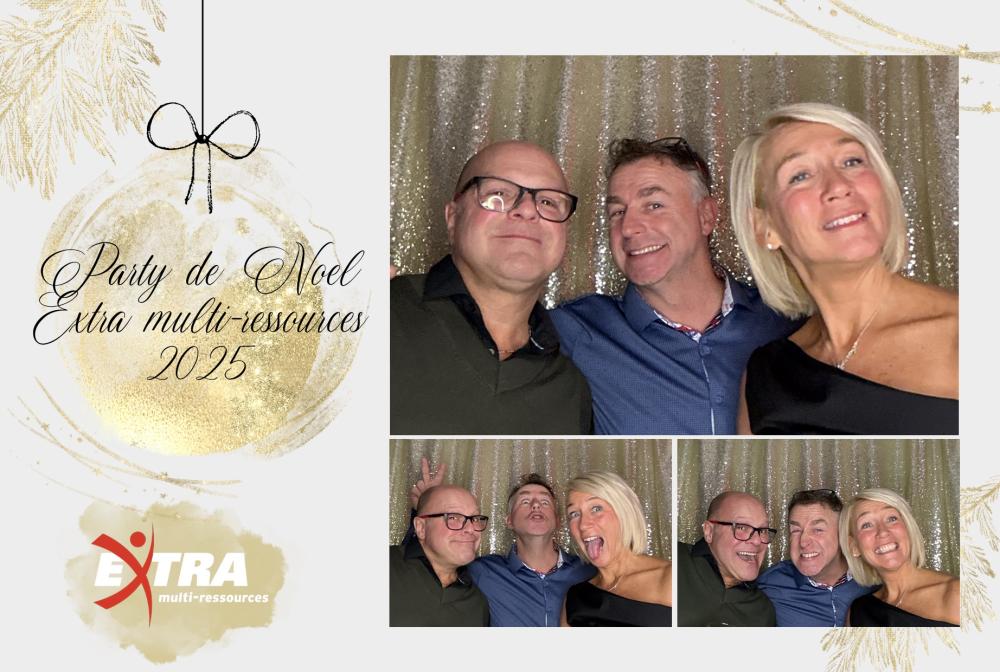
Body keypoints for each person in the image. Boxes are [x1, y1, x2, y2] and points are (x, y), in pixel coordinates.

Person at [731, 102, 958, 435]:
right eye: (800, 175)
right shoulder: (764, 374)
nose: (838, 185)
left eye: (852, 161)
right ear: (765, 228)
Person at [550, 136, 794, 435]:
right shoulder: (577, 330)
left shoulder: (784, 319)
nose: (628, 228)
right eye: (617, 212)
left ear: (706, 216)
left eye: (653, 205)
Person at [391, 140, 591, 434]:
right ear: (452, 217)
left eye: (548, 202)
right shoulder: (371, 315)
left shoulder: (572, 391)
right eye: (499, 194)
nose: (527, 210)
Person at [407, 458, 595, 626]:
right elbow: (424, 570)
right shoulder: (482, 572)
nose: (536, 505)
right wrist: (426, 512)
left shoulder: (589, 573)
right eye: (525, 501)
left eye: (545, 502)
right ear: (509, 520)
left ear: (558, 520)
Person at [560, 471, 671, 626]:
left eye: (596, 508)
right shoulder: (574, 597)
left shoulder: (669, 578)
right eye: (574, 514)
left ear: (624, 512)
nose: (583, 525)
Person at [841, 487, 959, 626]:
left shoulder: (956, 593)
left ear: (908, 528)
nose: (883, 532)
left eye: (891, 519)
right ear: (854, 546)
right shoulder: (857, 612)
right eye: (867, 525)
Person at [758, 488, 874, 626]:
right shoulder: (768, 585)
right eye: (795, 530)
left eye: (818, 530)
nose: (803, 542)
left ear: (842, 534)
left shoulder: (874, 579)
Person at [389, 483, 490, 626]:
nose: (471, 529)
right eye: (453, 517)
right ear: (421, 527)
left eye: (475, 519)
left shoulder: (478, 604)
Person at [677, 491, 776, 626]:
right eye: (741, 527)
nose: (757, 541)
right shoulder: (678, 562)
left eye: (763, 530)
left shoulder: (763, 611)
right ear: (709, 531)